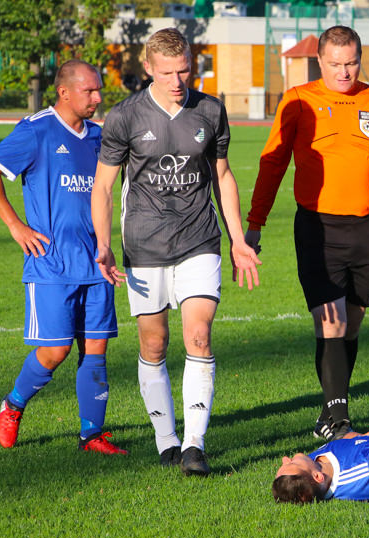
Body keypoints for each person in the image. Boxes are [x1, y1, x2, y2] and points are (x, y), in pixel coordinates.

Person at [91, 28, 261, 476]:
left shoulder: (210, 110)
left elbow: (222, 177)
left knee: (199, 336)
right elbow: (104, 186)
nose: (176, 79)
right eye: (166, 71)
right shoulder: (124, 116)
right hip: (143, 244)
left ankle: (194, 446)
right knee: (154, 342)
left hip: (199, 240)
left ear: (193, 64)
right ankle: (165, 438)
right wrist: (104, 243)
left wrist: (238, 240)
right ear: (148, 68)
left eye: (184, 69)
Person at [246, 26, 369, 442]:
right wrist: (255, 224)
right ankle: (339, 421)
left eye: (351, 63)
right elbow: (272, 164)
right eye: (336, 64)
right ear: (320, 62)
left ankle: (329, 407)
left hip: (367, 227)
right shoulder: (299, 100)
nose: (344, 72)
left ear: (362, 60)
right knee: (332, 323)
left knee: (351, 324)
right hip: (317, 228)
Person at [0, 60, 126, 455]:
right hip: (52, 265)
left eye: (99, 91)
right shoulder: (37, 130)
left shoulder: (99, 136)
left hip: (96, 264)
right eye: (89, 91)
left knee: (96, 350)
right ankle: (13, 404)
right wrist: (16, 226)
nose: (97, 98)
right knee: (55, 350)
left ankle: (91, 436)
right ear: (64, 92)